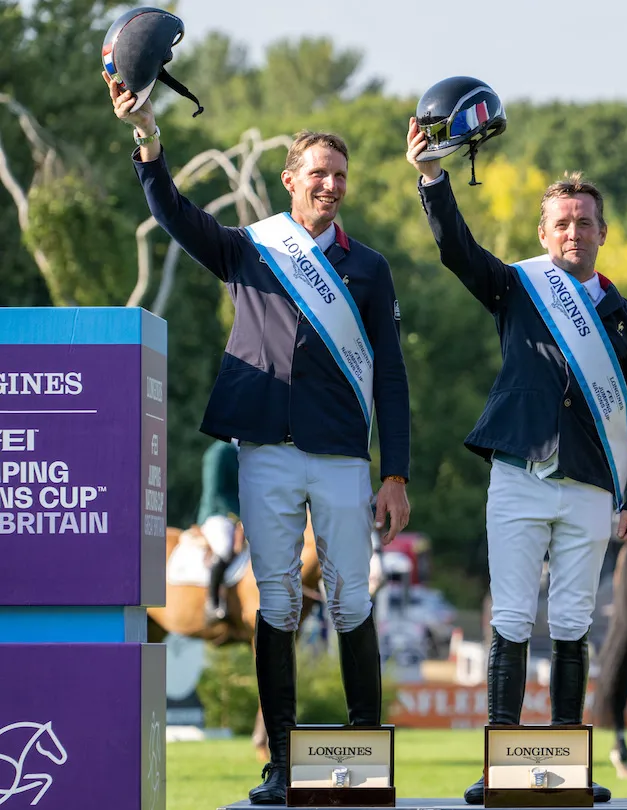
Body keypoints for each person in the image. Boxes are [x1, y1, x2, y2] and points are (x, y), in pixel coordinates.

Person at [108, 80, 411, 805]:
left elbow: (393, 378)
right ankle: (279, 767)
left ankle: (365, 761)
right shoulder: (251, 249)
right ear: (290, 181)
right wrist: (149, 141)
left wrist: (395, 473)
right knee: (275, 603)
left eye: (340, 176)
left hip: (341, 455)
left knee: (350, 602)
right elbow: (174, 214)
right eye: (319, 175)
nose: (331, 186)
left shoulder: (368, 267)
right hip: (264, 451)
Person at [406, 109, 627, 805]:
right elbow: (458, 249)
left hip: (589, 485)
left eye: (585, 222)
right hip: (519, 476)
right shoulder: (519, 286)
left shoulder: (623, 313)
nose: (573, 232)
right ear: (544, 235)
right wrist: (432, 176)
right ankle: (502, 764)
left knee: (576, 622)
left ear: (601, 233)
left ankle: (568, 766)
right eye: (561, 224)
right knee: (513, 619)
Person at [197, 439, 241, 622]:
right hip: (218, 514)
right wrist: (241, 515)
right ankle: (212, 603)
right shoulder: (219, 452)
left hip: (238, 515)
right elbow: (216, 492)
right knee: (224, 549)